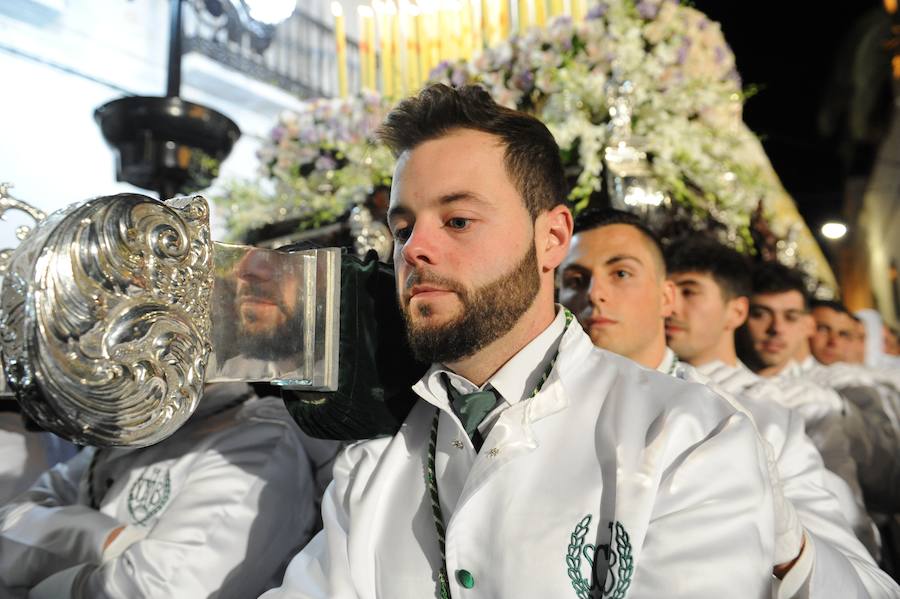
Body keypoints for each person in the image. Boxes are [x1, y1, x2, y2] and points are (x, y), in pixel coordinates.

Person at [264, 84, 778, 599]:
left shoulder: (683, 435)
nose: (415, 249)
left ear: (551, 238)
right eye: (402, 229)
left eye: (458, 220)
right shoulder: (371, 465)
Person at [559, 213, 898, 596]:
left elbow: (871, 589)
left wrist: (789, 542)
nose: (594, 294)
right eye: (574, 280)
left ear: (666, 298)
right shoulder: (538, 412)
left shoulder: (762, 423)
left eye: (621, 273)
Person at [0, 242, 340, 598]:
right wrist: (103, 540)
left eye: (136, 324)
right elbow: (10, 521)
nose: (112, 347)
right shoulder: (131, 433)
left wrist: (42, 585)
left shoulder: (257, 445)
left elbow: (159, 590)